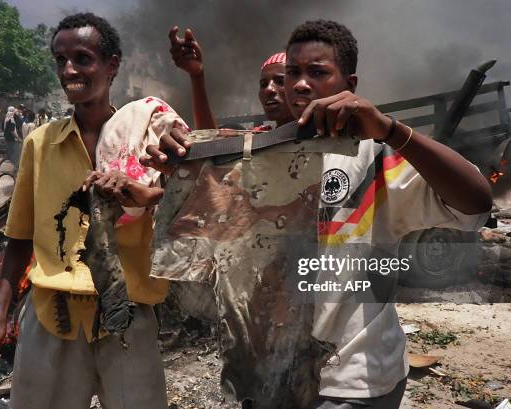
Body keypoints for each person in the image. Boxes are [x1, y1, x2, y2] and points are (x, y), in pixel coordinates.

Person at [144, 19, 492, 409]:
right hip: (269, 375)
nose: (299, 84)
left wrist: (392, 130)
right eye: (293, 72)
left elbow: (476, 203)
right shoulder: (260, 154)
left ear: (351, 84)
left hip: (351, 382)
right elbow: (216, 179)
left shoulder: (373, 154)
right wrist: (188, 152)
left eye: (318, 72)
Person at [0, 12, 184, 409]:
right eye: (60, 60)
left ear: (112, 65)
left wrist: (150, 189)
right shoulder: (40, 144)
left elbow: (194, 205)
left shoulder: (148, 135)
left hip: (129, 318)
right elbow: (19, 238)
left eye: (83, 58)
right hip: (53, 317)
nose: (69, 69)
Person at [169, 27, 294, 130]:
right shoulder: (258, 139)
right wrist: (197, 76)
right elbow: (211, 146)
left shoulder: (313, 137)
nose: (268, 90)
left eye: (280, 81)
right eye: (263, 84)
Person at [0, 106, 22, 172]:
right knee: (15, 153)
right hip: (12, 139)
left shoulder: (6, 118)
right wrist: (18, 138)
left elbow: (3, 129)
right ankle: (15, 168)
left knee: (9, 153)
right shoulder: (11, 120)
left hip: (7, 138)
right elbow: (12, 131)